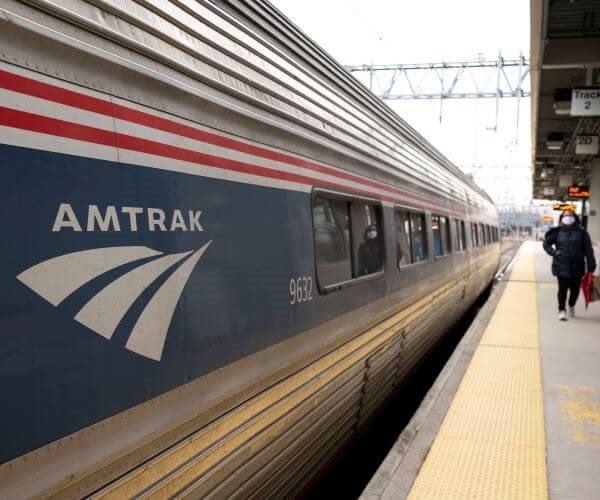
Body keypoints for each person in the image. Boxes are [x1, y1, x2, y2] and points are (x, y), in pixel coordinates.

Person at [543, 210, 596, 321]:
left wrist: (591, 263)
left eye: (570, 215)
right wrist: (554, 252)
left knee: (575, 290)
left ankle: (571, 305)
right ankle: (561, 310)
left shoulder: (582, 233)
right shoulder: (557, 232)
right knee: (562, 289)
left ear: (575, 218)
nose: (568, 217)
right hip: (561, 265)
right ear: (562, 218)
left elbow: (588, 249)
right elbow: (546, 243)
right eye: (565, 215)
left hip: (578, 266)